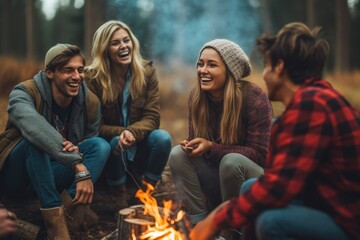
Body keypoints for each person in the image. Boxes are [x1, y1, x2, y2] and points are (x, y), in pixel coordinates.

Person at [190, 22, 360, 240]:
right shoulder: (314, 98)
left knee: (271, 222)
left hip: (347, 219)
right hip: (323, 202)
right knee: (252, 187)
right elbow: (281, 183)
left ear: (279, 67)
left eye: (267, 66)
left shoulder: (313, 105)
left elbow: (277, 190)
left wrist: (214, 220)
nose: (265, 75)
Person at [0, 44, 110, 239]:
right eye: (68, 70)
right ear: (50, 73)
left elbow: (88, 141)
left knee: (100, 146)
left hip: (53, 172)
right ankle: (55, 227)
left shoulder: (89, 102)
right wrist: (76, 163)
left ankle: (69, 214)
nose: (77, 76)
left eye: (80, 70)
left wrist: (80, 164)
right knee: (33, 142)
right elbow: (33, 126)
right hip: (17, 175)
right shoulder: (24, 93)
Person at [168, 39, 273, 227]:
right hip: (217, 179)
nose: (202, 70)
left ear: (230, 71)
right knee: (177, 154)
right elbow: (198, 150)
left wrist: (211, 147)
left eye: (212, 65)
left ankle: (233, 228)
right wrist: (192, 146)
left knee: (231, 162)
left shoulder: (254, 98)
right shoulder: (197, 98)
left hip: (250, 182)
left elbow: (260, 156)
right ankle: (199, 221)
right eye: (200, 64)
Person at [85, 20, 172, 209]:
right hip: (112, 154)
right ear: (104, 48)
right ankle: (118, 193)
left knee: (163, 138)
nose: (123, 46)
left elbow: (152, 117)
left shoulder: (147, 73)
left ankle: (146, 192)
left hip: (139, 148)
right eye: (115, 43)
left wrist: (133, 132)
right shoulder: (92, 78)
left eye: (126, 40)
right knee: (117, 141)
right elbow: (93, 126)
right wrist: (124, 132)